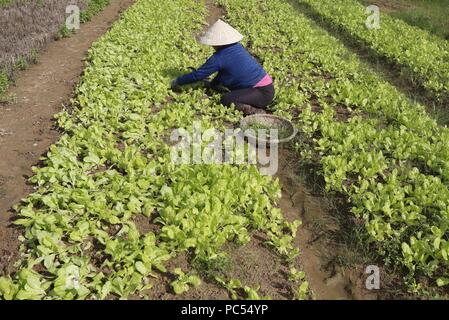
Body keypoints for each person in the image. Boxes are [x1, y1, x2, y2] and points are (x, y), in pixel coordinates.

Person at [171, 19, 275, 115]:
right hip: (267, 88)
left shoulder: (218, 58)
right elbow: (226, 72)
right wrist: (213, 84)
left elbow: (198, 75)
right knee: (228, 94)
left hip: (261, 93)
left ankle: (255, 111)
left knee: (226, 99)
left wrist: (178, 81)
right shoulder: (237, 47)